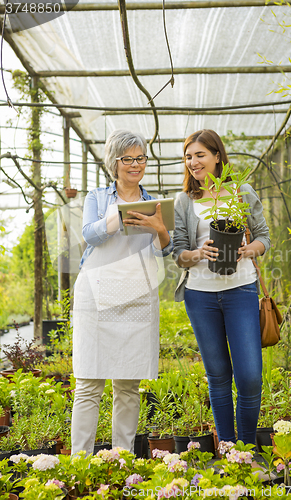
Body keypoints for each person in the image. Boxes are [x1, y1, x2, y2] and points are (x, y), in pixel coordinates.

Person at [71, 129, 173, 456]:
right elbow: (89, 235)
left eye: (140, 158)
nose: (135, 165)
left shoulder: (155, 203)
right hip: (96, 295)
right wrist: (112, 221)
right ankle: (79, 465)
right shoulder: (97, 198)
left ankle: (122, 462)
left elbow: (161, 254)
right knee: (89, 384)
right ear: (114, 162)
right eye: (127, 159)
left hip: (136, 296)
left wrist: (160, 230)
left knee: (128, 386)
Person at [172, 129, 270, 445]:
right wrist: (197, 253)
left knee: (250, 377)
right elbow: (178, 253)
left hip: (241, 289)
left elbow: (264, 237)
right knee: (217, 376)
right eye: (188, 157)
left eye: (200, 155)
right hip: (200, 295)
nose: (193, 162)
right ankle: (228, 449)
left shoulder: (242, 193)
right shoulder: (184, 201)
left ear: (217, 156)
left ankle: (248, 447)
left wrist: (249, 249)